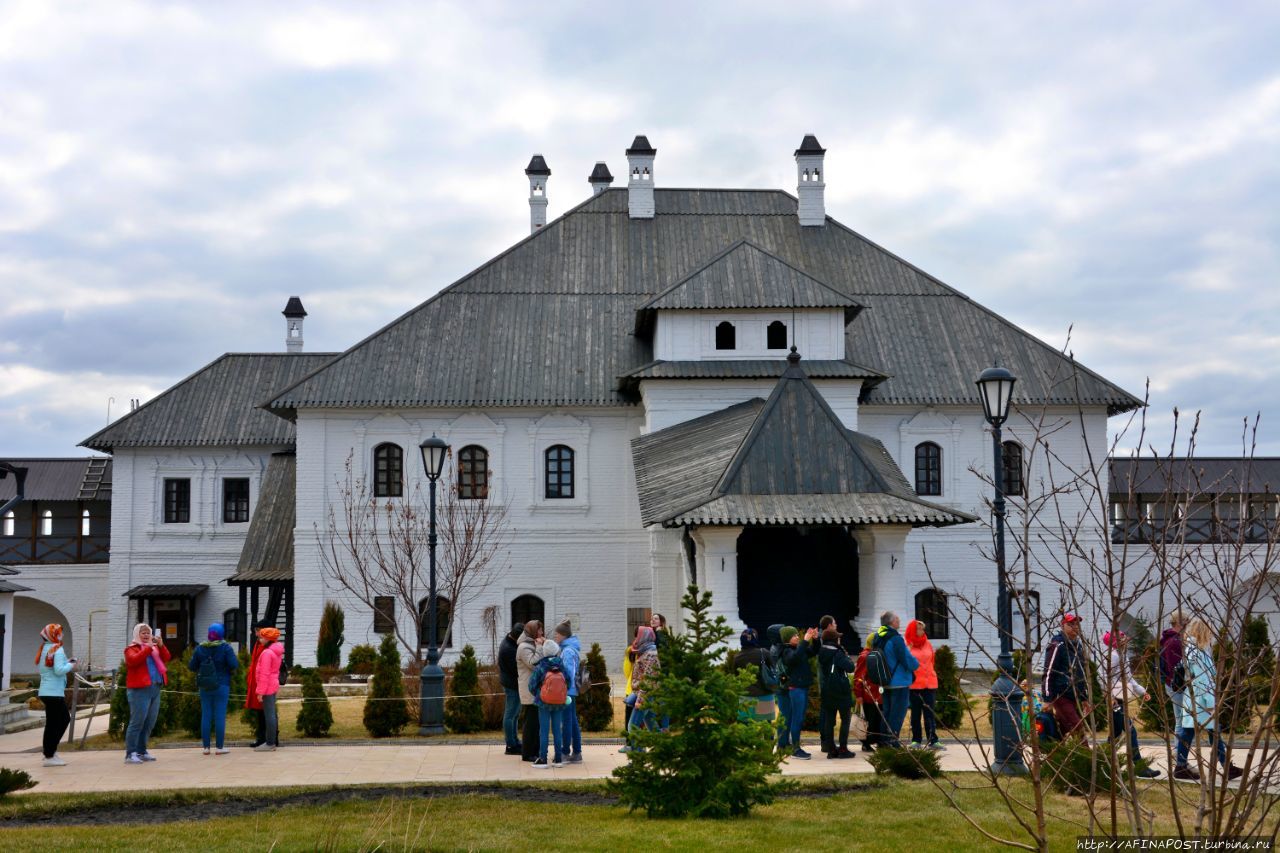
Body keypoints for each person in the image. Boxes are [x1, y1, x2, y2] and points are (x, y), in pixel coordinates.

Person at [1174, 617, 1242, 781]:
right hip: (1201, 702)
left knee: (1191, 732)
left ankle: (1182, 766)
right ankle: (1225, 767)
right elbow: (1202, 680)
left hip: (1195, 700)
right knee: (1210, 732)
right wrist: (1211, 704)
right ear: (1203, 632)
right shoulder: (1197, 652)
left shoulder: (1192, 649)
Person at [1101, 629, 1160, 777]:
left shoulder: (1122, 656)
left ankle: (1104, 764)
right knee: (1130, 730)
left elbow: (1129, 679)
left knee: (1114, 735)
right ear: (1115, 642)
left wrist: (1142, 692)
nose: (1126, 639)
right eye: (1122, 638)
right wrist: (1110, 697)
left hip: (1121, 697)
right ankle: (1139, 767)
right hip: (1114, 700)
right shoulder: (1113, 657)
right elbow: (1102, 678)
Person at [187, 622, 239, 755]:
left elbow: (192, 666)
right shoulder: (226, 647)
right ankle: (220, 747)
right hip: (222, 684)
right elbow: (234, 664)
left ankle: (206, 747)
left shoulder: (200, 648)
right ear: (221, 634)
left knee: (206, 715)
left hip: (205, 685)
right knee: (219, 715)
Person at [123, 623, 170, 764]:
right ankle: (130, 753)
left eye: (148, 633)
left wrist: (161, 645)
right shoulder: (130, 649)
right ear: (137, 634)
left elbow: (166, 658)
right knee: (137, 722)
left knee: (149, 722)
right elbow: (133, 661)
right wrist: (148, 648)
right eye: (143, 633)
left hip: (155, 687)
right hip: (139, 690)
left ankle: (142, 751)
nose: (146, 635)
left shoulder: (154, 647)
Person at [872, 611, 918, 748]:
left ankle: (883, 740)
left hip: (885, 680)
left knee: (887, 711)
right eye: (897, 619)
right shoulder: (896, 639)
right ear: (892, 622)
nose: (899, 621)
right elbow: (906, 658)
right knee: (897, 713)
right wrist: (916, 664)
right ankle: (892, 741)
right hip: (898, 681)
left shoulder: (878, 637)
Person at [1042, 613, 1090, 739]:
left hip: (1073, 695)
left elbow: (1080, 672)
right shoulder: (1057, 645)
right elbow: (1048, 672)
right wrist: (1047, 699)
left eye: (1077, 624)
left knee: (1061, 730)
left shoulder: (1078, 646)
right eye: (1071, 624)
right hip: (1060, 695)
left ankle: (1053, 755)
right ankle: (1088, 757)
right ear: (1063, 626)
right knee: (1077, 728)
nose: (1075, 627)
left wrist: (1084, 697)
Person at [37, 623, 75, 767]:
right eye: (59, 633)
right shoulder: (57, 649)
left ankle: (49, 752)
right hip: (53, 692)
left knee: (52, 723)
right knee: (63, 720)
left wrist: (67, 662)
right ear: (54, 635)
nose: (62, 635)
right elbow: (59, 670)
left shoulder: (45, 648)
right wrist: (71, 664)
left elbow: (50, 667)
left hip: (46, 691)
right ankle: (49, 754)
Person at [780, 624, 820, 759]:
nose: (798, 637)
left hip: (803, 687)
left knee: (799, 718)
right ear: (787, 638)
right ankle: (795, 749)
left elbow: (814, 651)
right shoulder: (786, 651)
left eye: (798, 635)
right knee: (797, 718)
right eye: (795, 635)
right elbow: (794, 658)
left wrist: (815, 639)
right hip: (796, 688)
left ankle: (795, 746)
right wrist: (805, 640)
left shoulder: (798, 648)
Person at [528, 638, 568, 768]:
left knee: (544, 731)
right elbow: (569, 681)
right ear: (556, 651)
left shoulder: (541, 666)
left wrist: (540, 694)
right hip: (559, 703)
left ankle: (543, 759)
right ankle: (558, 759)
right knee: (557, 730)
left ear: (544, 652)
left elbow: (531, 685)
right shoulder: (562, 666)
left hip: (544, 703)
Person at [905, 619, 944, 750]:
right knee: (916, 713)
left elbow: (932, 660)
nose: (922, 631)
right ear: (913, 630)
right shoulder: (907, 645)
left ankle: (933, 740)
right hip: (915, 685)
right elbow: (906, 663)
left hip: (930, 683)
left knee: (929, 713)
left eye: (923, 628)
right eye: (919, 629)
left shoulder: (927, 643)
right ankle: (916, 740)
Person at [818, 626, 856, 759]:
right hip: (841, 690)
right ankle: (843, 748)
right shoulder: (838, 653)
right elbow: (850, 667)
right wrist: (846, 655)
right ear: (834, 640)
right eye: (838, 637)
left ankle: (831, 749)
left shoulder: (822, 651)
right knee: (845, 719)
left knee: (829, 720)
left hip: (827, 690)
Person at [622, 626, 660, 751]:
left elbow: (648, 678)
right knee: (652, 726)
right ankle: (666, 750)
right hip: (646, 694)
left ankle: (638, 759)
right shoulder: (646, 651)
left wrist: (640, 699)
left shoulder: (650, 654)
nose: (637, 638)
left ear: (644, 637)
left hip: (645, 695)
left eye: (638, 635)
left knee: (632, 726)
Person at [553, 620, 584, 764]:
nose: (555, 637)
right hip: (571, 691)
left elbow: (568, 673)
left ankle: (565, 752)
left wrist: (563, 690)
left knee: (566, 722)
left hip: (567, 692)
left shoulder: (567, 651)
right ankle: (577, 753)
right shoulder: (570, 648)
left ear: (564, 635)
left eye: (557, 634)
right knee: (572, 721)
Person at [732, 627, 776, 722]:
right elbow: (774, 669)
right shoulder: (764, 653)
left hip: (746, 696)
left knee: (745, 725)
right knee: (766, 726)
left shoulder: (737, 657)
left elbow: (736, 677)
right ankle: (769, 738)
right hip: (765, 694)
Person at [243, 620, 274, 748]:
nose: (255, 633)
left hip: (263, 684)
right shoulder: (259, 643)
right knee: (260, 713)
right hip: (257, 682)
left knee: (266, 713)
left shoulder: (267, 646)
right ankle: (262, 738)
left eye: (257, 631)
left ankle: (268, 739)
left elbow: (265, 669)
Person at [516, 620, 544, 762]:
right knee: (530, 723)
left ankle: (536, 751)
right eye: (539, 630)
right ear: (532, 631)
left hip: (535, 690)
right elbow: (534, 664)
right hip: (529, 690)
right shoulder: (523, 647)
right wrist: (539, 647)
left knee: (536, 723)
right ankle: (527, 753)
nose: (541, 633)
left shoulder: (532, 644)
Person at [253, 627, 284, 751]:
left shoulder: (267, 653)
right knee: (272, 714)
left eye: (261, 637)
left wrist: (260, 692)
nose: (259, 639)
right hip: (272, 685)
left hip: (267, 687)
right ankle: (271, 741)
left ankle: (270, 743)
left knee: (269, 715)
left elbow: (264, 674)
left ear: (268, 639)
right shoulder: (276, 651)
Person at [854, 631, 885, 753]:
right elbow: (858, 677)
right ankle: (866, 743)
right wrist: (859, 694)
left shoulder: (877, 654)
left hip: (878, 694)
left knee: (878, 720)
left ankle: (878, 741)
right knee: (869, 721)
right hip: (869, 695)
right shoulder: (865, 656)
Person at [498, 621, 524, 755]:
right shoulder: (509, 649)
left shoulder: (510, 642)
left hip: (512, 683)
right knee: (510, 714)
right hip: (511, 685)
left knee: (515, 714)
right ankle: (511, 744)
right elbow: (516, 670)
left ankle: (515, 740)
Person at [766, 623, 790, 752]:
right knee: (784, 714)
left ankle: (784, 740)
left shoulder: (777, 647)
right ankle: (782, 743)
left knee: (786, 713)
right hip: (782, 685)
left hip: (782, 683)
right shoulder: (777, 649)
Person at [1159, 610, 1186, 727]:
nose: (1188, 624)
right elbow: (1173, 666)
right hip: (1176, 684)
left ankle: (1180, 745)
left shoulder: (1172, 640)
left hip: (1173, 683)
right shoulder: (1173, 642)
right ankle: (1180, 745)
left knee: (1181, 718)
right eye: (1187, 621)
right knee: (1182, 719)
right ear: (1179, 623)